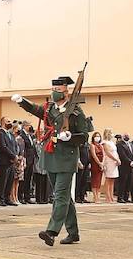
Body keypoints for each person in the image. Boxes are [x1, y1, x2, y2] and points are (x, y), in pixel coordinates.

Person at [13, 75, 92, 245]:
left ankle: (51, 231)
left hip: (66, 158)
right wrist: (22, 101)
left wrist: (70, 136)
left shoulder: (76, 111)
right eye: (54, 90)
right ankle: (74, 233)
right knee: (63, 197)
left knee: (60, 196)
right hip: (51, 156)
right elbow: (35, 110)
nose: (55, 93)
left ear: (66, 91)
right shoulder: (50, 109)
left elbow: (84, 136)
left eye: (58, 90)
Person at [100, 129, 119, 202]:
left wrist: (118, 159)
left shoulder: (112, 142)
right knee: (108, 179)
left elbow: (115, 152)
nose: (112, 134)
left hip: (114, 162)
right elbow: (107, 153)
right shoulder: (104, 142)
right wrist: (115, 159)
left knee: (112, 179)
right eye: (111, 133)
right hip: (109, 161)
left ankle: (111, 196)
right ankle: (107, 197)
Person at [88, 132, 105, 200]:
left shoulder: (101, 145)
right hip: (95, 164)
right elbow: (94, 155)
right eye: (96, 136)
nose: (97, 137)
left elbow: (104, 154)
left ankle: (98, 195)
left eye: (98, 136)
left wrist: (102, 163)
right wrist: (99, 163)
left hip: (101, 163)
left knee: (99, 180)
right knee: (95, 180)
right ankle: (95, 197)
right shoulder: (92, 145)